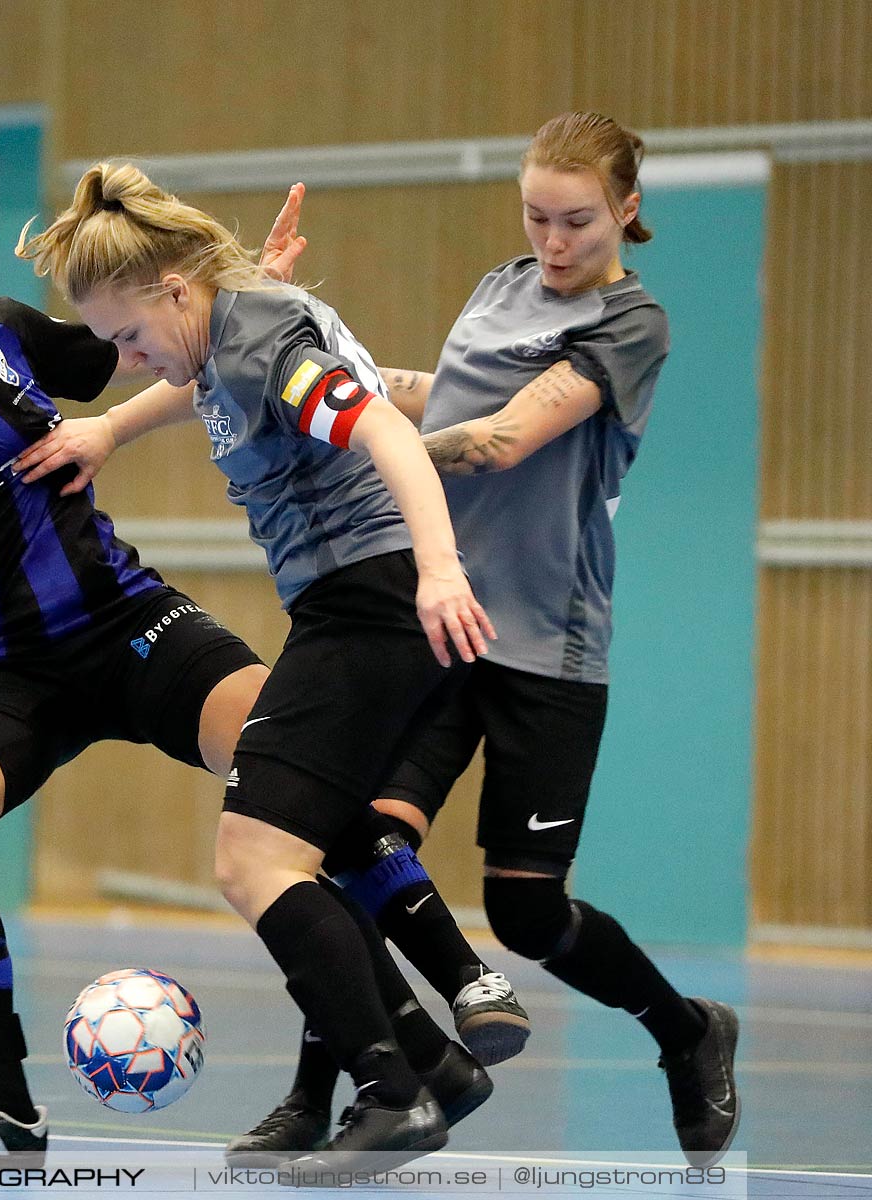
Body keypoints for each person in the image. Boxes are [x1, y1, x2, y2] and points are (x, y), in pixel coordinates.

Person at [0, 16, 486, 1168]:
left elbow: (147, 349)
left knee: (287, 777)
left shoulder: (3, 337)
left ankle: (428, 1031)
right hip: (0, 669)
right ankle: (1, 1106)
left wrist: (237, 298)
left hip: (125, 623)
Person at [242, 112, 739, 1167]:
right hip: (439, 624)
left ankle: (686, 1032)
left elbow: (506, 436)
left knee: (524, 910)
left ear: (624, 212)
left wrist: (373, 445)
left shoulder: (629, 322)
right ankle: (325, 1095)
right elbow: (438, 394)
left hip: (545, 648)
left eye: (576, 221)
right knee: (349, 844)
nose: (552, 240)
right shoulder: (498, 284)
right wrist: (326, 366)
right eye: (535, 216)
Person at [18, 161, 501, 1169]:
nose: (127, 355)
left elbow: (379, 430)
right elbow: (198, 380)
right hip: (348, 604)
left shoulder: (261, 342)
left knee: (253, 859)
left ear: (178, 290)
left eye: (128, 335)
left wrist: (438, 568)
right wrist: (108, 425)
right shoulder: (231, 333)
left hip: (369, 602)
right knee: (303, 847)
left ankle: (392, 1093)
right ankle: (428, 1068)